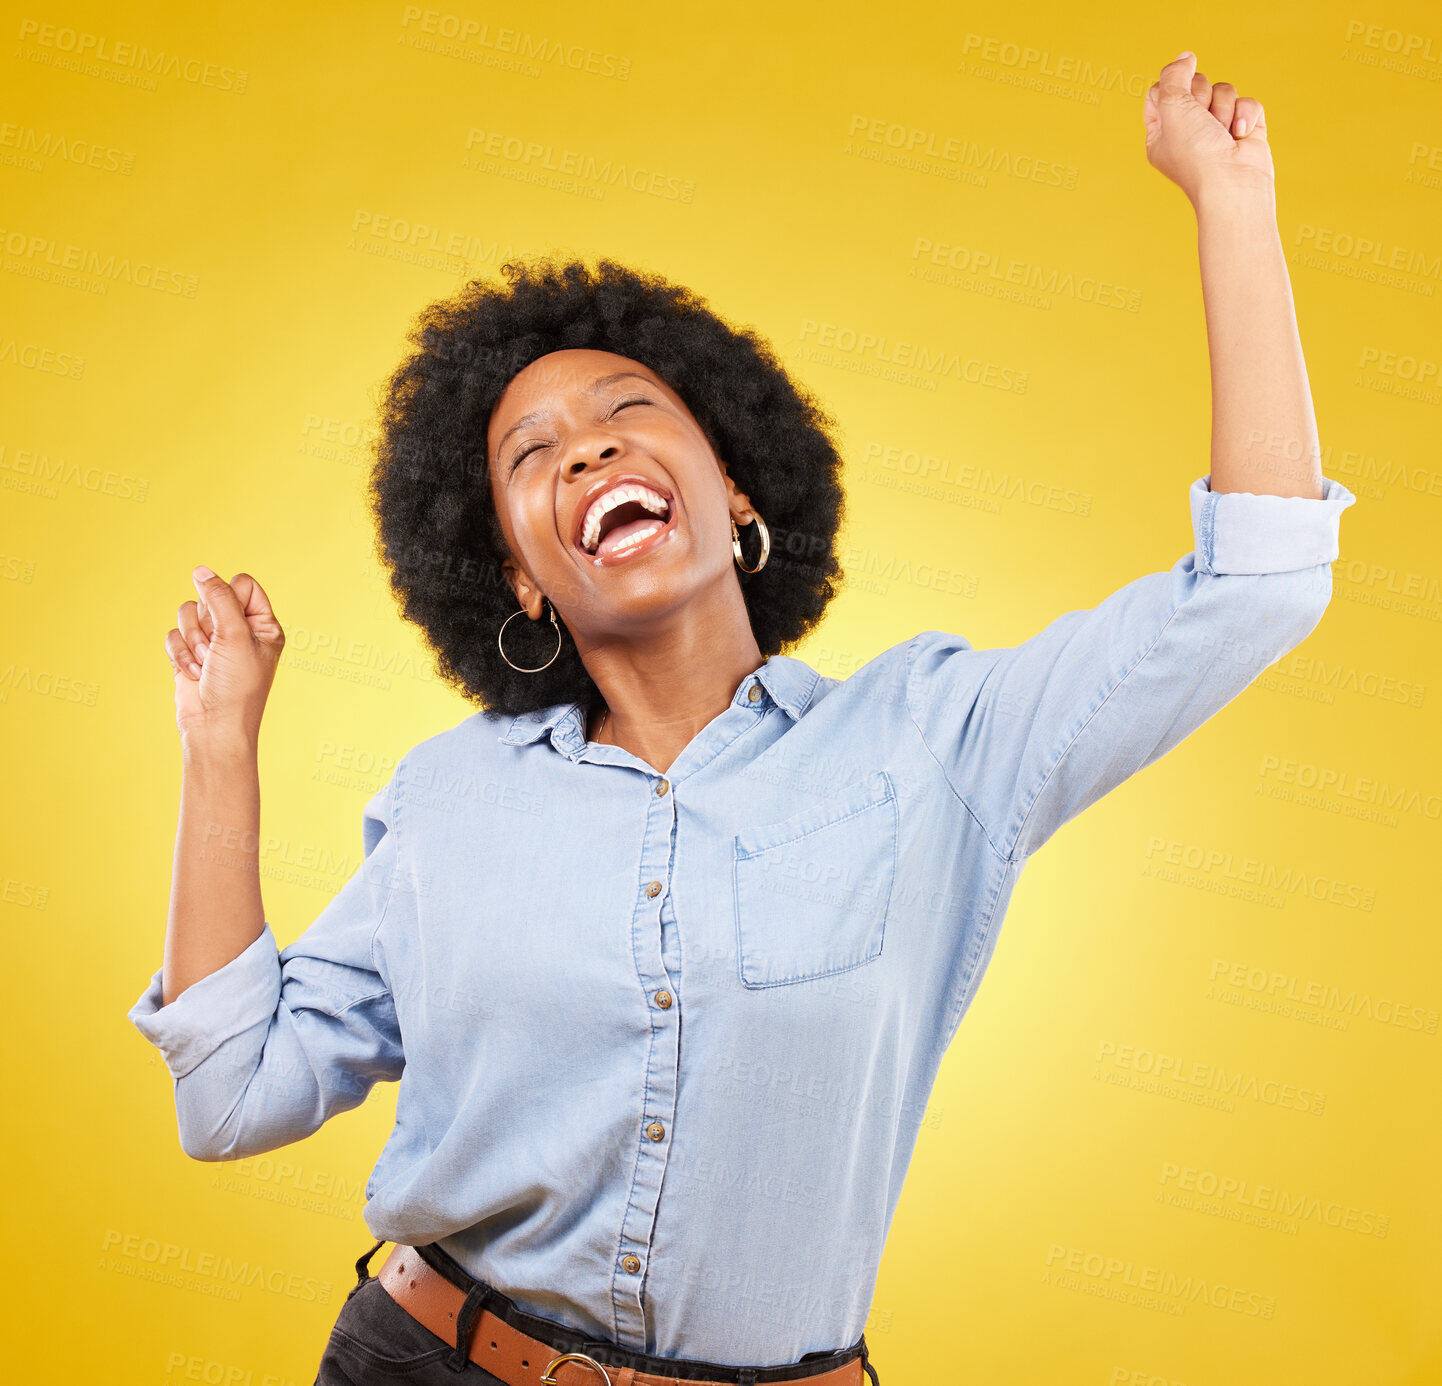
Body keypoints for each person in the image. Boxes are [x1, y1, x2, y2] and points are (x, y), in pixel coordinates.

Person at [131, 52, 1357, 1386]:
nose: (586, 449)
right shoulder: (451, 799)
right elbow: (233, 1093)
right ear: (520, 574)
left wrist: (1230, 202)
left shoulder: (934, 741)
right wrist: (218, 743)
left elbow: (1257, 586)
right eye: (528, 453)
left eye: (626, 412)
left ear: (736, 489)